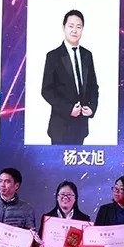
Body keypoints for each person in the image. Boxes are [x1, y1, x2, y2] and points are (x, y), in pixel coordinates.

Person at [41, 9, 100, 145]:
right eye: (71, 26)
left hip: (81, 126)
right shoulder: (53, 56)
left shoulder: (87, 55)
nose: (74, 30)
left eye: (78, 27)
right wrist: (68, 109)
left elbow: (93, 86)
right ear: (64, 28)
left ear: (82, 29)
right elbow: (47, 91)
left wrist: (92, 107)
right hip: (60, 127)